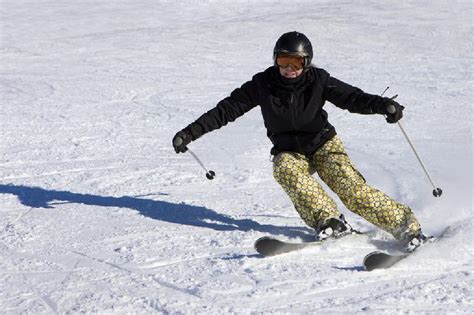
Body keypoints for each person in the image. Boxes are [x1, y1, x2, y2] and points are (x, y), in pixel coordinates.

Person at [172, 31, 429, 252]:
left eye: (295, 62)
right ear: (275, 61)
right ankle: (329, 221)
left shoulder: (318, 80)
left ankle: (407, 227)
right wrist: (189, 133)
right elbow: (225, 110)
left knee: (351, 189)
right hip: (289, 150)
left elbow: (352, 98)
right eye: (283, 61)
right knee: (284, 168)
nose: (289, 69)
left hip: (323, 144)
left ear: (306, 62)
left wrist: (383, 105)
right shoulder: (263, 83)